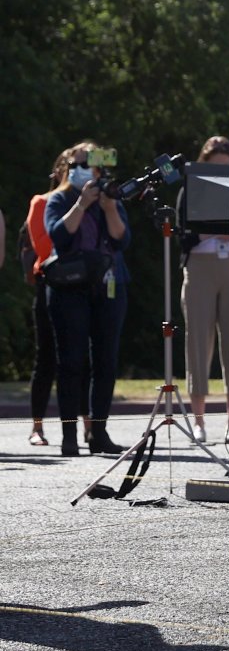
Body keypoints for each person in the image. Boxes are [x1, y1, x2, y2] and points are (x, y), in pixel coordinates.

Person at [43, 141, 130, 456]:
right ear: (68, 168)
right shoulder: (59, 198)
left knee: (105, 361)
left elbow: (122, 240)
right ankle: (69, 436)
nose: (84, 170)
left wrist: (107, 207)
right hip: (70, 288)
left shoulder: (111, 198)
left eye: (89, 164)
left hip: (109, 284)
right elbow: (58, 236)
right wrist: (81, 204)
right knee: (71, 361)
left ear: (100, 168)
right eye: (78, 164)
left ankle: (99, 433)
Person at [23, 149, 92, 447]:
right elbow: (44, 245)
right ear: (63, 169)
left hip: (85, 284)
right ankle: (37, 426)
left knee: (84, 359)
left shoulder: (95, 203)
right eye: (78, 166)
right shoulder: (43, 202)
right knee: (48, 359)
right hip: (51, 283)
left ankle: (91, 424)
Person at [178, 136, 229, 445]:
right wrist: (207, 231)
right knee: (198, 345)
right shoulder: (189, 190)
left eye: (225, 168)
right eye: (214, 167)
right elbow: (182, 235)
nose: (220, 173)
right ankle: (199, 422)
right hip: (200, 269)